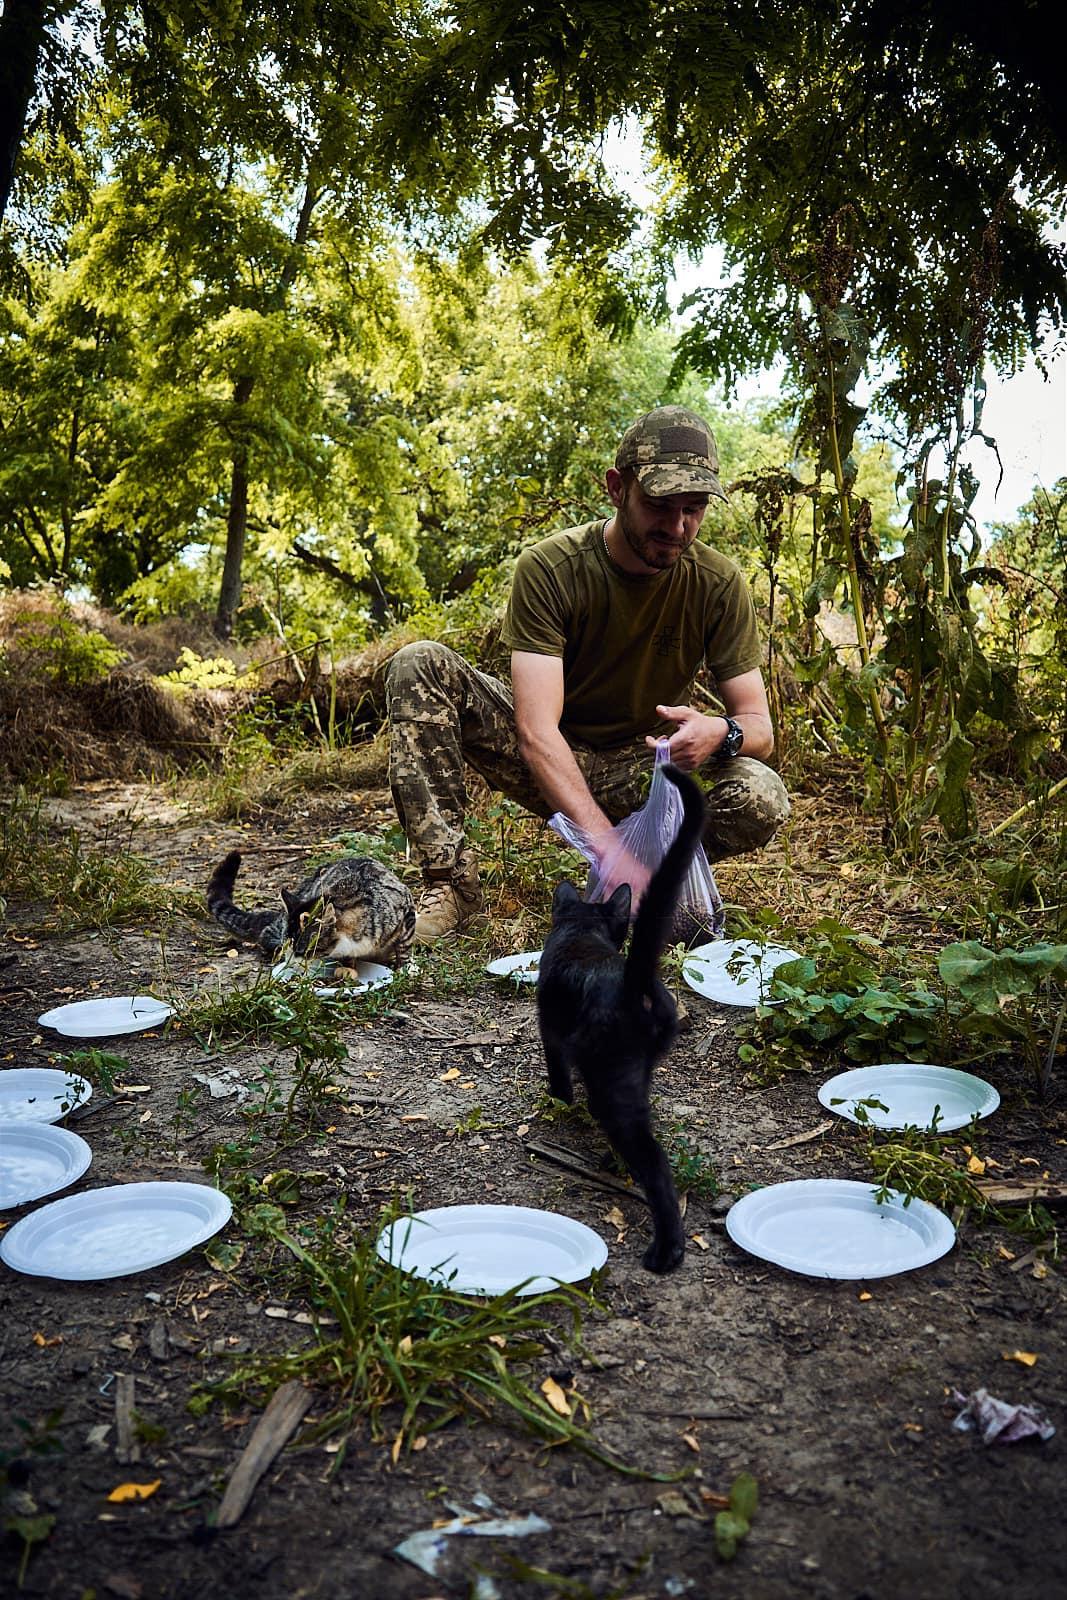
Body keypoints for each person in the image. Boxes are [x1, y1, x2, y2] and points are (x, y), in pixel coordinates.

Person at [385, 404, 791, 940]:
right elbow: (534, 731)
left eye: (693, 509)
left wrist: (723, 732)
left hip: (643, 766)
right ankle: (452, 884)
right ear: (616, 488)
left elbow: (759, 727)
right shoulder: (550, 568)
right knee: (420, 664)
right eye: (660, 506)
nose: (677, 527)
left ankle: (655, 876)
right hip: (553, 752)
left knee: (759, 791)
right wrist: (607, 849)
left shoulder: (717, 583)